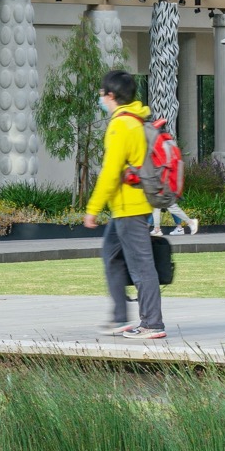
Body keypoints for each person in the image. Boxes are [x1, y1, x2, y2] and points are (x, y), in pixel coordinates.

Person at [83, 69, 166, 340]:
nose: (100, 99)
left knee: (142, 267)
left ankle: (152, 323)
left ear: (110, 95)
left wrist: (93, 209)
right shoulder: (136, 119)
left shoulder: (121, 125)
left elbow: (110, 172)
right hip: (127, 207)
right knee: (111, 256)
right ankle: (120, 317)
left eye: (102, 94)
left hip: (130, 207)